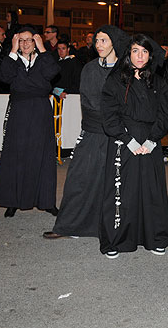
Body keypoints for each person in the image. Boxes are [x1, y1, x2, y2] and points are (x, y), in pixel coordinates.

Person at [43, 25, 129, 240]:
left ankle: (109, 227)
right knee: (78, 179)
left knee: (113, 182)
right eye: (97, 41)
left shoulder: (126, 70)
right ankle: (67, 225)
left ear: (115, 43)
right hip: (93, 132)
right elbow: (90, 103)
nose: (98, 45)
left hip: (119, 134)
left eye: (103, 41)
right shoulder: (90, 68)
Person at [100, 34, 168, 259]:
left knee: (151, 189)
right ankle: (114, 238)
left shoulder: (159, 82)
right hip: (123, 140)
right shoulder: (115, 81)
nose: (140, 56)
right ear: (128, 54)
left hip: (151, 141)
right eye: (135, 51)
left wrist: (151, 140)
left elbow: (164, 115)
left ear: (150, 55)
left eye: (144, 52)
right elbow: (109, 116)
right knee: (122, 191)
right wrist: (128, 140)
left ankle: (154, 236)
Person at [0, 26, 61, 217]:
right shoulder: (12, 61)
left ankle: (46, 201)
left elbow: (52, 72)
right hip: (19, 111)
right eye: (21, 40)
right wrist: (13, 51)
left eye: (29, 39)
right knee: (16, 154)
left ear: (36, 41)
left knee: (43, 155)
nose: (25, 43)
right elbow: (4, 77)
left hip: (40, 111)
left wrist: (43, 49)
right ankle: (13, 201)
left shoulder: (43, 59)